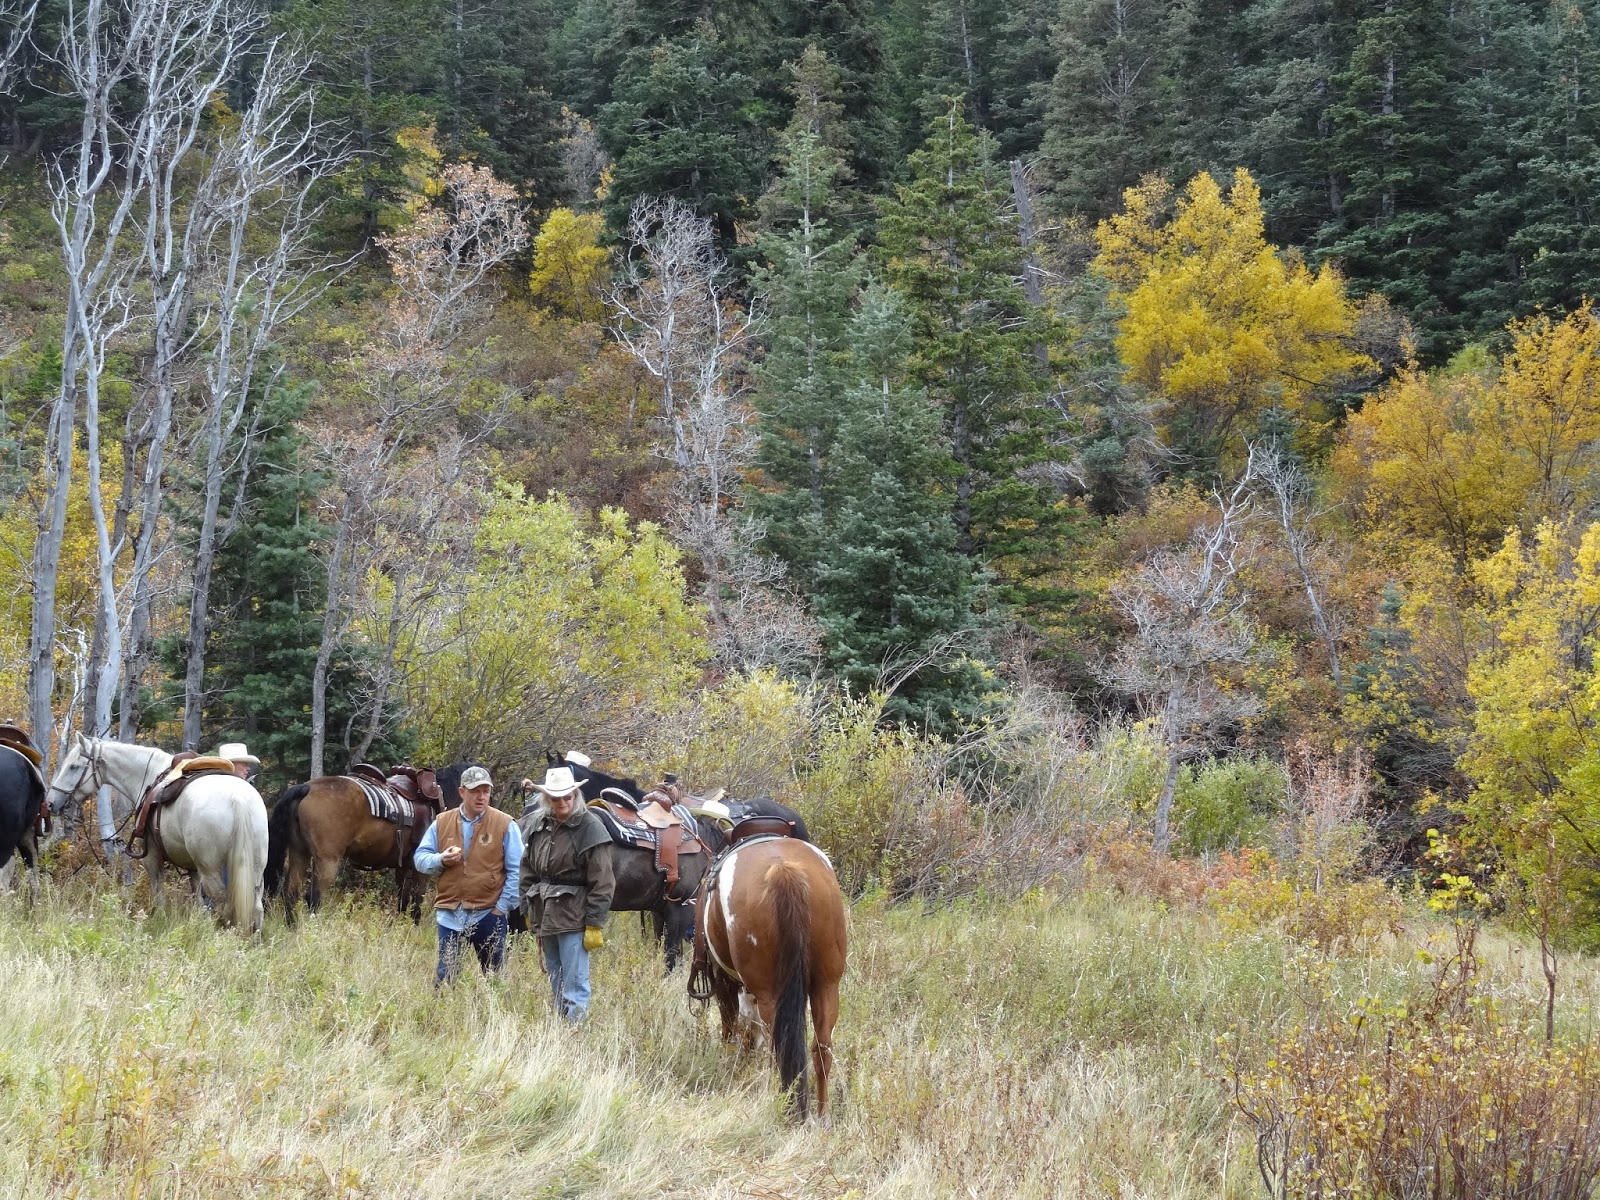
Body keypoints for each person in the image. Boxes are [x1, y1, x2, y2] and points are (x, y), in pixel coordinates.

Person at [519, 765, 614, 1021]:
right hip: (544, 912)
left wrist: (594, 924)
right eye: (556, 797)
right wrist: (526, 908)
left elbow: (603, 881)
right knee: (556, 979)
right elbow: (527, 870)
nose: (562, 802)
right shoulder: (537, 824)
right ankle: (562, 1030)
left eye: (567, 796)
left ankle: (575, 1035)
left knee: (576, 985)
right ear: (546, 798)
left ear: (575, 795)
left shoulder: (590, 827)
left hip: (574, 916)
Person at [414, 765, 523, 986]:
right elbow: (420, 858)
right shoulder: (442, 822)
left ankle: (493, 1019)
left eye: (486, 791)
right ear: (462, 792)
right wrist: (440, 860)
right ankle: (444, 1018)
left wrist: (501, 908)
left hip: (488, 914)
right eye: (475, 791)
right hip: (450, 914)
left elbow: (518, 871)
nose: (481, 797)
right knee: (445, 977)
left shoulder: (504, 824)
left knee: (494, 980)